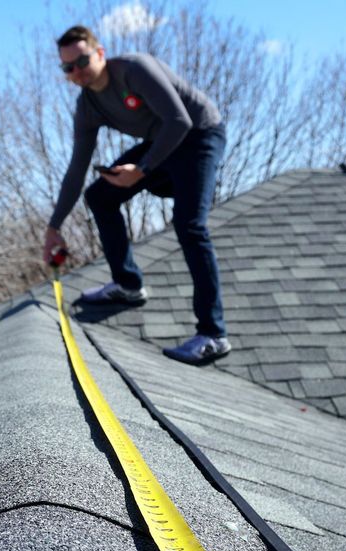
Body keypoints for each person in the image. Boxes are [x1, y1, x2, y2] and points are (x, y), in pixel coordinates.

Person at [42, 25, 230, 366]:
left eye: (82, 61)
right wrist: (54, 227)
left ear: (100, 53)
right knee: (100, 196)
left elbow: (179, 121)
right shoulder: (87, 106)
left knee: (189, 225)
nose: (77, 72)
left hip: (199, 135)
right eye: (68, 67)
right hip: (161, 144)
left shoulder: (134, 69)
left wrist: (141, 169)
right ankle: (128, 285)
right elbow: (76, 168)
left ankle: (213, 335)